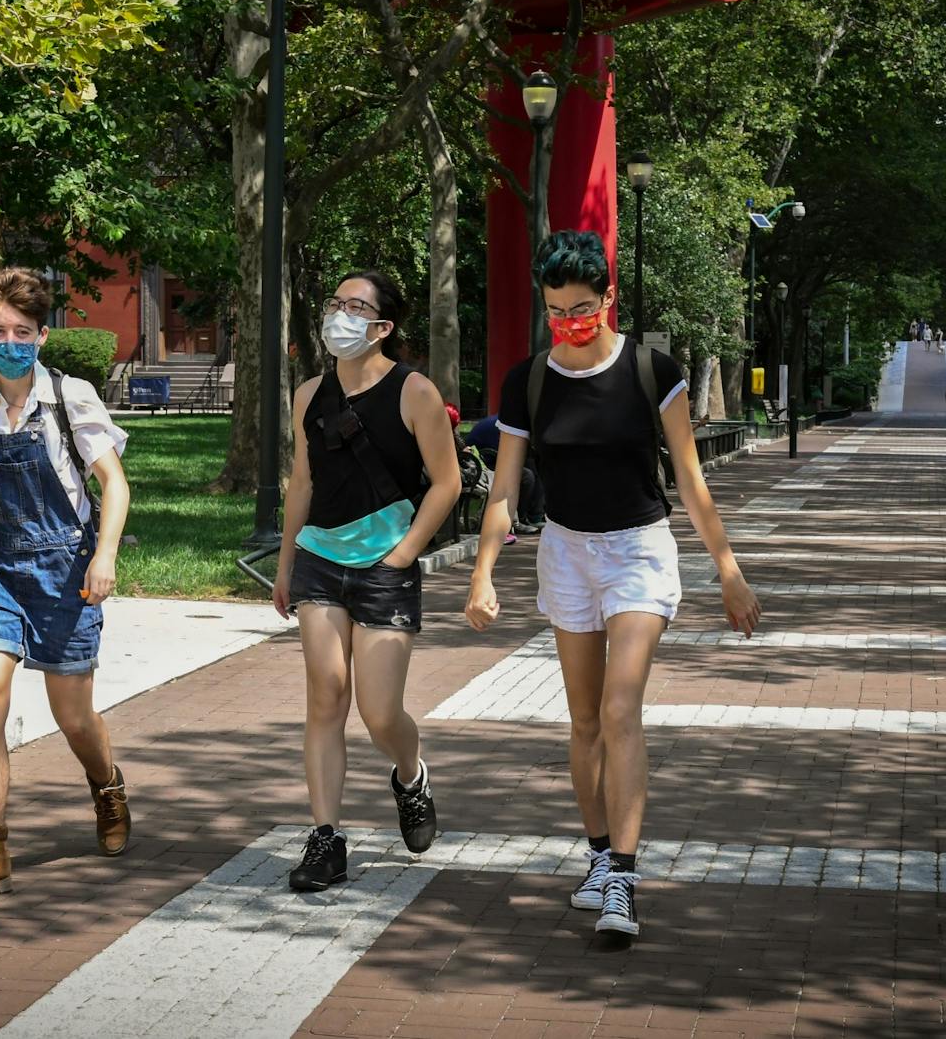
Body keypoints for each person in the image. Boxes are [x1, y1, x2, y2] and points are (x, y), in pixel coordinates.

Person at [465, 231, 761, 938]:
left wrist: (728, 570)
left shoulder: (651, 370)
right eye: (556, 309)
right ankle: (598, 856)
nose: (569, 321)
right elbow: (504, 486)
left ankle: (624, 877)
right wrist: (481, 571)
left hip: (638, 550)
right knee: (586, 719)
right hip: (566, 552)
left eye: (582, 307)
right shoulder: (527, 380)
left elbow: (689, 478)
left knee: (622, 706)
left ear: (607, 299)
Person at [0, 266, 133, 903]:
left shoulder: (70, 397)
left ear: (42, 335)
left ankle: (106, 785)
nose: (9, 340)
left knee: (72, 716)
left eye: (22, 330)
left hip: (66, 568)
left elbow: (113, 483)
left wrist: (104, 558)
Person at [272, 270, 459, 892]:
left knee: (380, 714)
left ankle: (410, 774)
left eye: (357, 307)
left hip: (386, 567)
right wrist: (286, 563)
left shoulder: (414, 392)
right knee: (326, 695)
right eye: (336, 303)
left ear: (383, 327)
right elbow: (302, 483)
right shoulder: (308, 394)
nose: (340, 316)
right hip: (321, 561)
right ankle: (326, 838)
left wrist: (404, 555)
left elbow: (447, 482)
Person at [463, 412, 545, 532]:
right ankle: (520, 519)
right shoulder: (506, 427)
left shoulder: (509, 422)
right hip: (481, 463)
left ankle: (535, 515)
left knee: (534, 466)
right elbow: (508, 454)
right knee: (527, 476)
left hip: (490, 458)